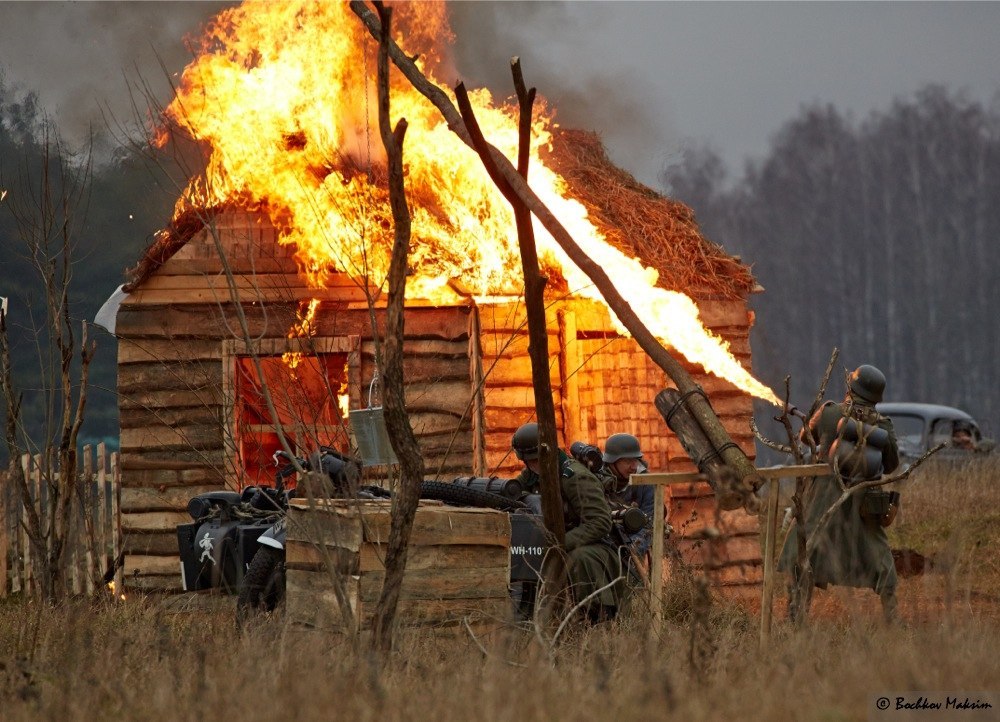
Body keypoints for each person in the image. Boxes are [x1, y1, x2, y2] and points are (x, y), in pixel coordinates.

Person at [777, 364, 902, 623]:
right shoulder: (883, 426)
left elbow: (804, 437)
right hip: (864, 503)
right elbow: (891, 465)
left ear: (851, 388)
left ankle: (796, 615)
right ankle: (892, 618)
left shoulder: (830, 412)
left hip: (822, 498)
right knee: (880, 556)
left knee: (805, 552)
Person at [511, 422, 625, 623]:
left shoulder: (575, 477)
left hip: (594, 545)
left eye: (537, 459)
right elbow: (513, 493)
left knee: (580, 558)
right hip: (553, 540)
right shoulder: (532, 474)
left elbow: (599, 522)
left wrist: (559, 544)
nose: (533, 465)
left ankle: (598, 618)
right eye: (529, 461)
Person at [599, 433, 656, 577]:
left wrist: (633, 549)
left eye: (635, 460)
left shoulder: (645, 482)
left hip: (634, 550)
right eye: (627, 461)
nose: (633, 466)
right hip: (605, 548)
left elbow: (650, 523)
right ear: (612, 461)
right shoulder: (597, 480)